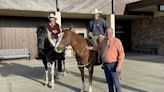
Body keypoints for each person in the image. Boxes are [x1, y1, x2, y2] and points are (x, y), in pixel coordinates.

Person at [86, 28, 125, 92]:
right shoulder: (104, 41)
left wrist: (119, 65)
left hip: (114, 65)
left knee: (116, 83)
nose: (108, 34)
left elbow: (122, 54)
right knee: (109, 83)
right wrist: (88, 48)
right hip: (106, 65)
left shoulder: (117, 41)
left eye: (109, 33)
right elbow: (98, 47)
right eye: (106, 33)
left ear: (112, 33)